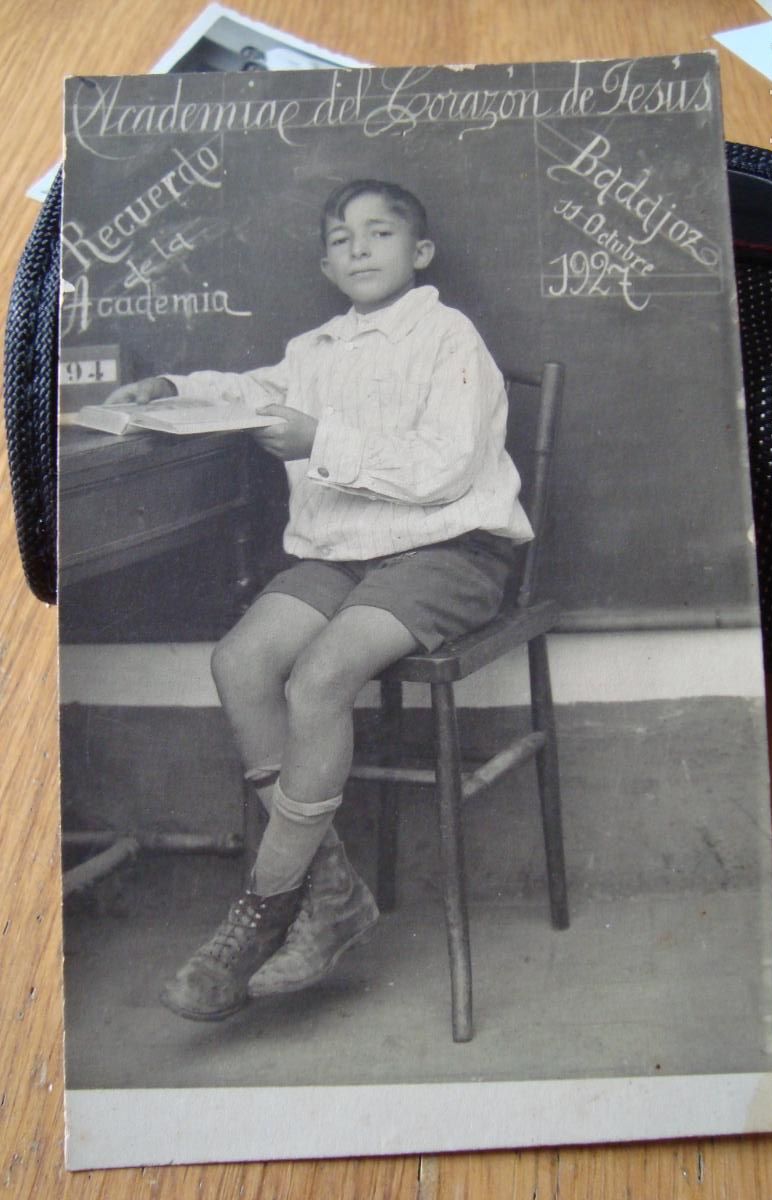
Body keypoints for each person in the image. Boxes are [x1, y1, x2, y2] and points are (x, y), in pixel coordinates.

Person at [107, 178, 533, 1021]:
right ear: (326, 263)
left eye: (380, 234)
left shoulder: (450, 336)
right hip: (344, 554)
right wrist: (168, 389)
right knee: (242, 660)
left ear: (421, 254)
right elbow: (248, 387)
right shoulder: (315, 350)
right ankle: (332, 890)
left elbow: (446, 467)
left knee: (318, 678)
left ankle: (264, 907)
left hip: (447, 550)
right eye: (342, 239)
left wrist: (322, 441)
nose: (360, 248)